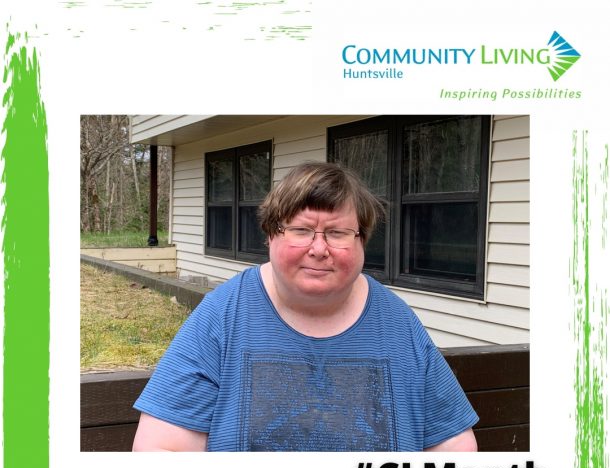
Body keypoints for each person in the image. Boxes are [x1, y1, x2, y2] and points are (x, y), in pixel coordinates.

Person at [132, 162, 478, 452]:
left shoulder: (397, 321)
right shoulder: (224, 314)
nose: (318, 248)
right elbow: (162, 449)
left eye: (338, 233)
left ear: (362, 241)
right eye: (300, 230)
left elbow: (453, 444)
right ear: (270, 235)